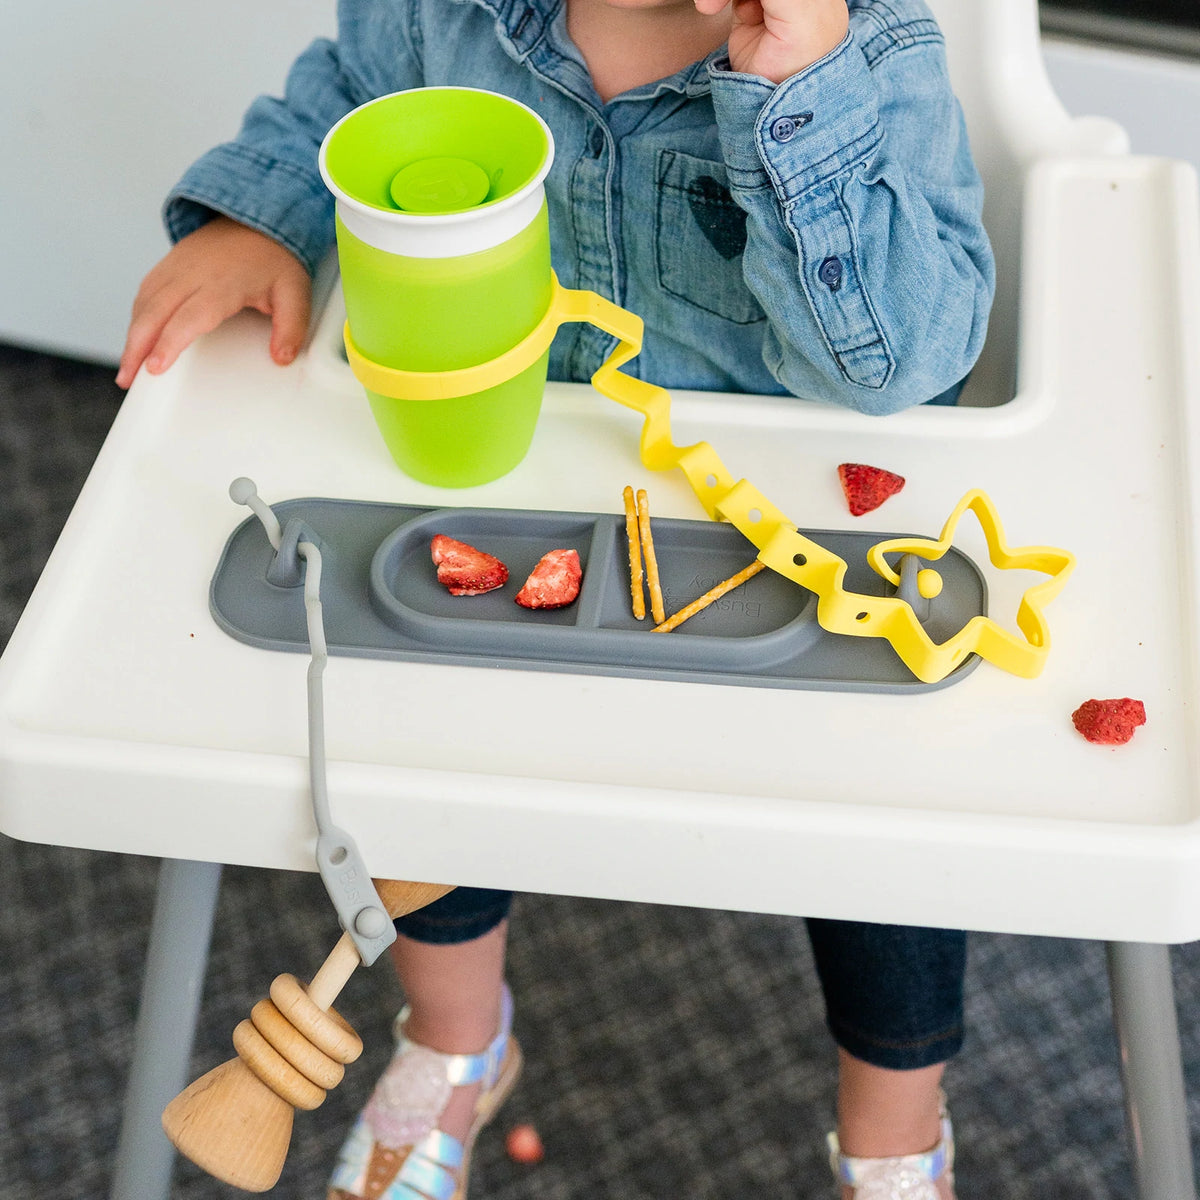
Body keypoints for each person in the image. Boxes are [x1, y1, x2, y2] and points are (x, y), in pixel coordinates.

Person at [118, 1, 994, 1196]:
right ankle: (456, 1040)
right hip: (513, 486)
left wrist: (799, 88)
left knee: (889, 825)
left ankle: (895, 1136)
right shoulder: (445, 14)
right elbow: (349, 101)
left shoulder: (876, 50)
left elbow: (902, 365)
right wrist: (252, 216)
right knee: (416, 743)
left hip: (789, 551)